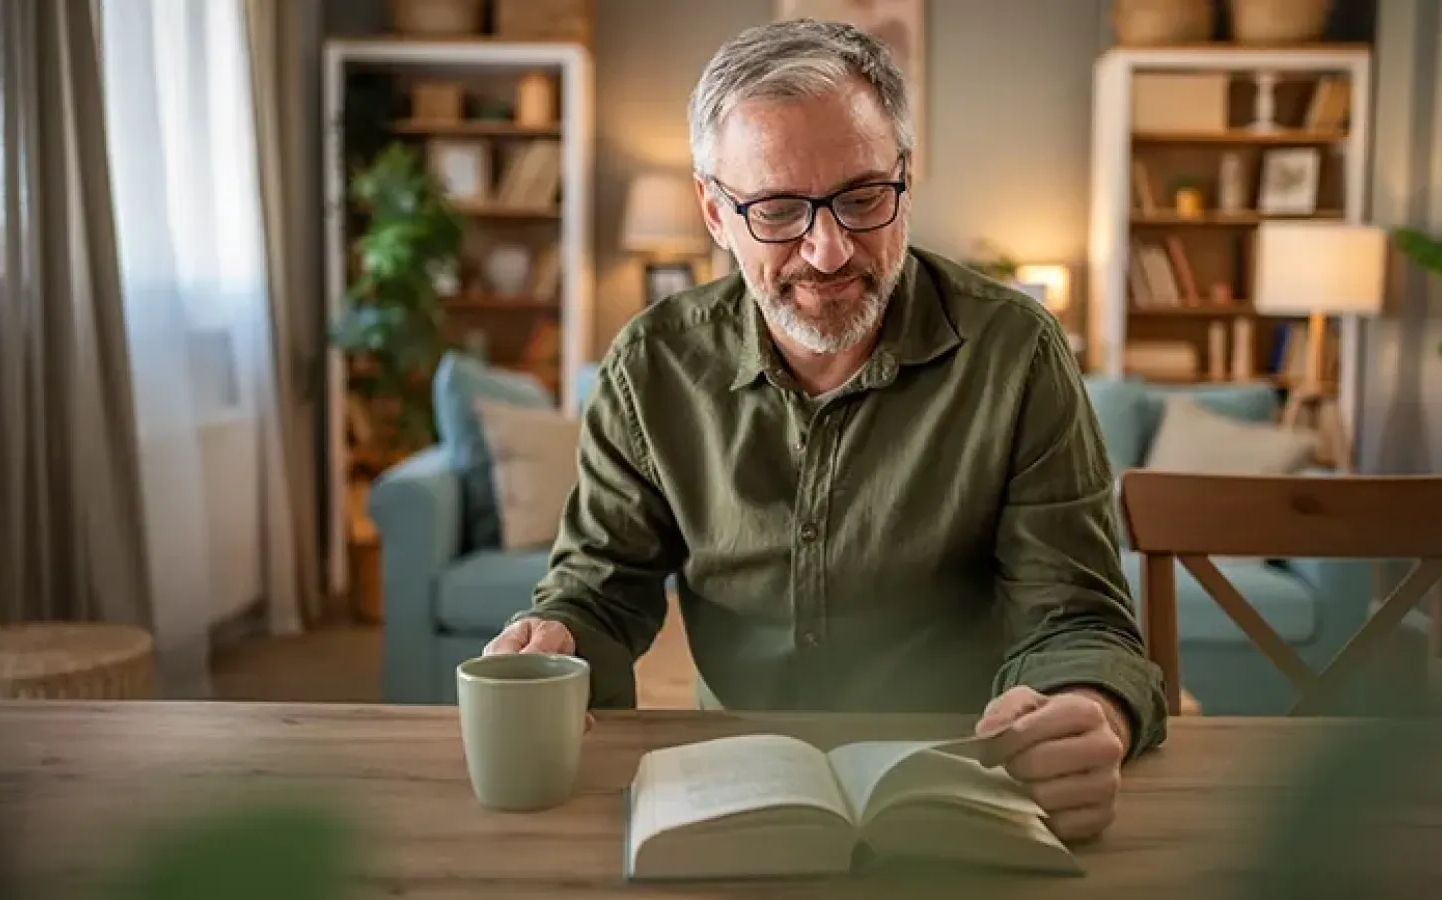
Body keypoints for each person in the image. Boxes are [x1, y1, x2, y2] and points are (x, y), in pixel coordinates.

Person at [484, 18, 1167, 840]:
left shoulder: (1016, 353)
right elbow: (600, 589)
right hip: (732, 789)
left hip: (960, 789)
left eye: (862, 197)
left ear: (905, 179)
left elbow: (1078, 617)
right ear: (714, 210)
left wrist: (1085, 710)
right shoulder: (650, 366)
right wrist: (557, 641)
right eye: (776, 209)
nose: (830, 250)